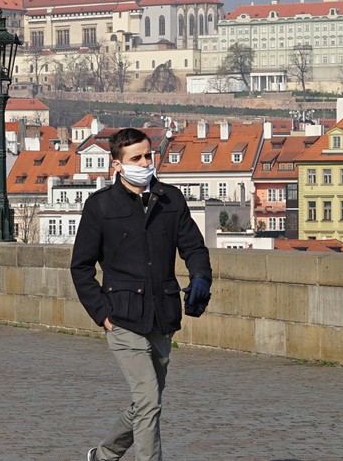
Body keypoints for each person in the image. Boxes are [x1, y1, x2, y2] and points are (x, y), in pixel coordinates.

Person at [71, 128, 212, 461]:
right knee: (149, 401)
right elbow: (81, 267)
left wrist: (201, 277)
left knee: (146, 403)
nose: (145, 162)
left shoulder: (170, 199)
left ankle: (103, 455)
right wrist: (102, 314)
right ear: (117, 165)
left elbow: (193, 246)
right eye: (136, 158)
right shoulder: (100, 206)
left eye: (148, 155)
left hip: (162, 315)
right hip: (121, 318)